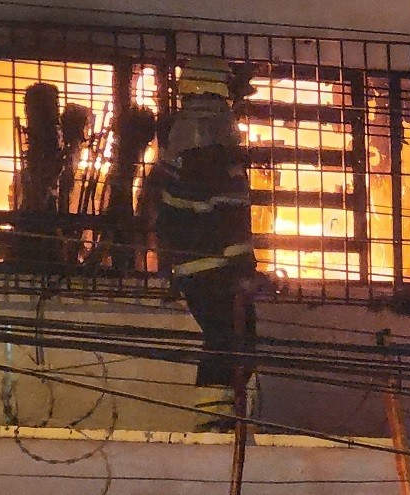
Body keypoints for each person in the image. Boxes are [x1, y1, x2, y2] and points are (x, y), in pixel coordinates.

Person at [146, 56, 257, 432]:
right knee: (232, 341)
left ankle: (218, 419)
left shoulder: (183, 143)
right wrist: (244, 272)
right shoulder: (211, 155)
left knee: (227, 341)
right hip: (216, 271)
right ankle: (215, 422)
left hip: (197, 268)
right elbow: (227, 218)